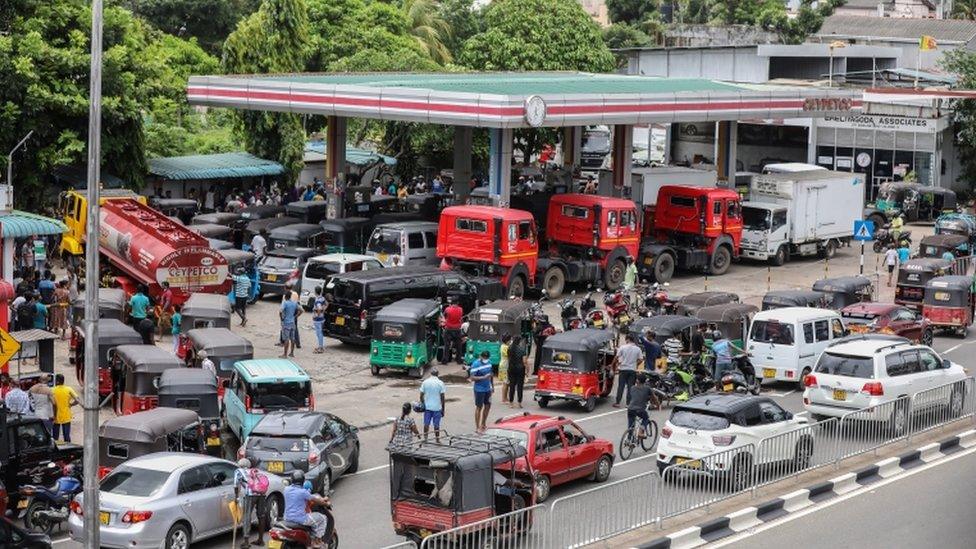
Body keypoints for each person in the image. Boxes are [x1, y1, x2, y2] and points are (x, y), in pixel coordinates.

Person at [283, 470, 331, 547]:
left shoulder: (286, 489)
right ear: (303, 481)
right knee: (323, 518)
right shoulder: (303, 492)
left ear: (292, 480)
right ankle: (317, 541)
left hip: (287, 518)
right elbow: (316, 500)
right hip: (300, 518)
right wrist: (326, 503)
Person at [233, 458, 268, 547]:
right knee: (261, 516)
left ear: (239, 464)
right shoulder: (255, 471)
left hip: (250, 495)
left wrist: (236, 497)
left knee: (247, 516)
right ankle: (261, 540)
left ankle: (246, 542)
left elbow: (235, 485)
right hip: (261, 494)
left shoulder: (238, 471)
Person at [612, 334, 643, 408]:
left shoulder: (622, 347)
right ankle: (628, 404)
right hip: (632, 370)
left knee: (621, 386)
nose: (625, 341)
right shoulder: (637, 349)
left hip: (623, 369)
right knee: (630, 387)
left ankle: (617, 403)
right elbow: (641, 359)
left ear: (628, 339)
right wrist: (635, 364)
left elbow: (616, 357)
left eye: (626, 339)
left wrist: (612, 365)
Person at [419, 368, 446, 441]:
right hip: (437, 408)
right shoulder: (440, 383)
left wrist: (423, 404)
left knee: (426, 424)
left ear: (430, 374)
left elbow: (421, 395)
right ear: (437, 374)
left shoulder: (425, 382)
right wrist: (443, 410)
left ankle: (425, 438)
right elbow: (442, 398)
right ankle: (437, 439)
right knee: (436, 425)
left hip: (427, 407)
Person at [469, 350, 494, 432]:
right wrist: (483, 377)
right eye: (484, 357)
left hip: (488, 389)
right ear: (481, 356)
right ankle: (477, 427)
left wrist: (492, 386)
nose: (486, 359)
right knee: (479, 407)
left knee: (488, 406)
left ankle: (483, 423)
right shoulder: (475, 364)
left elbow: (491, 375)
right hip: (479, 389)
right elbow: (472, 378)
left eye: (487, 358)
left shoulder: (489, 362)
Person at [51, 374, 79, 443]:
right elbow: (78, 400)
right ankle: (68, 450)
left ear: (57, 381)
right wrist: (71, 404)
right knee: (66, 436)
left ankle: (56, 450)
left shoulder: (52, 390)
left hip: (56, 416)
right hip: (66, 415)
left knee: (55, 437)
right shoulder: (68, 389)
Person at [441, 298, 464, 364]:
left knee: (447, 345)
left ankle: (445, 360)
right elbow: (460, 317)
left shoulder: (447, 309)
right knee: (459, 346)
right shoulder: (460, 309)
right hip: (457, 329)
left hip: (448, 328)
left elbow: (445, 316)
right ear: (457, 303)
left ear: (451, 303)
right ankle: (459, 360)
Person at [507, 337, 527, 408]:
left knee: (512, 385)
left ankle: (511, 403)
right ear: (519, 342)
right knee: (520, 386)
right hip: (520, 369)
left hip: (511, 368)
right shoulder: (522, 350)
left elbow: (508, 358)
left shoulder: (509, 348)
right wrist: (526, 371)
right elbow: (524, 361)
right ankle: (519, 403)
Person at [312, 286, 327, 353]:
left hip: (318, 319)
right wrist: (323, 311)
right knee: (320, 333)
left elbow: (319, 308)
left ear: (315, 291)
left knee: (319, 333)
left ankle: (320, 347)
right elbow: (327, 304)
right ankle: (320, 346)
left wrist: (317, 315)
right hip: (322, 317)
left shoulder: (317, 300)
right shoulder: (322, 298)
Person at [498, 335, 511, 405]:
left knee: (507, 382)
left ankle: (506, 398)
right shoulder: (505, 347)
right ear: (507, 340)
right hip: (505, 365)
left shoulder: (503, 346)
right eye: (510, 340)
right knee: (505, 383)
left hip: (504, 364)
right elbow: (509, 355)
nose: (510, 341)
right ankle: (504, 398)